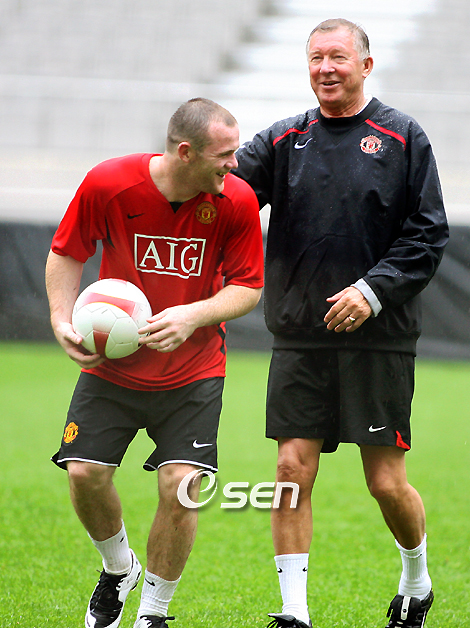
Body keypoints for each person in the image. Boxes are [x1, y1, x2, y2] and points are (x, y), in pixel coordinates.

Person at [233, 18, 448, 628]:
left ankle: (416, 580)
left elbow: (428, 234)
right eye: (315, 58)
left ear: (365, 65)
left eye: (338, 57)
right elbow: (224, 194)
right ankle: (294, 612)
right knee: (290, 470)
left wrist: (372, 293)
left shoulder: (403, 137)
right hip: (298, 335)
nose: (325, 68)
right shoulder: (283, 140)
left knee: (385, 483)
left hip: (379, 338)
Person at [45, 97, 264, 628]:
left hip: (194, 371)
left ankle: (153, 614)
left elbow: (249, 287)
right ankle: (119, 569)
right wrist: (60, 319)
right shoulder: (109, 183)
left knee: (180, 489)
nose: (235, 164)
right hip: (113, 367)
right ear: (185, 152)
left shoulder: (236, 199)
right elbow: (68, 251)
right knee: (85, 473)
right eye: (224, 154)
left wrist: (193, 315)